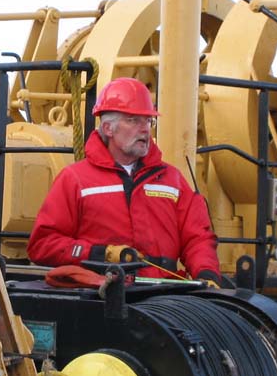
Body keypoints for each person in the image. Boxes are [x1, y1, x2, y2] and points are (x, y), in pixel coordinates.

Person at [27, 77, 221, 286]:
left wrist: (206, 274)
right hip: (100, 297)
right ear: (108, 128)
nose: (145, 129)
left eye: (148, 121)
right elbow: (43, 245)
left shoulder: (172, 180)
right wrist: (101, 253)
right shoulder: (75, 180)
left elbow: (197, 237)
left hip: (164, 295)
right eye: (133, 120)